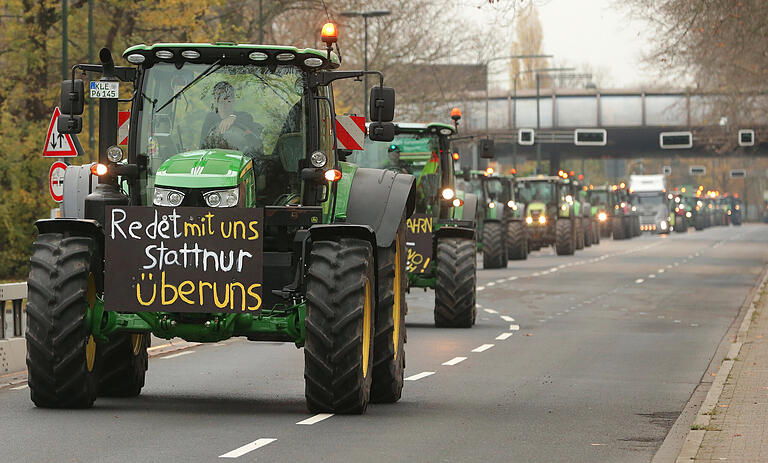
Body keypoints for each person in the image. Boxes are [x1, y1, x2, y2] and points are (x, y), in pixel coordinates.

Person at [200, 81, 263, 155]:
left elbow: (248, 119)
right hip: (214, 158)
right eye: (219, 97)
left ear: (233, 100)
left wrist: (233, 117)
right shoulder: (210, 118)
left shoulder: (244, 117)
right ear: (215, 100)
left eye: (227, 98)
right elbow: (203, 144)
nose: (223, 101)